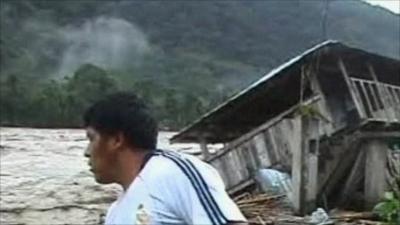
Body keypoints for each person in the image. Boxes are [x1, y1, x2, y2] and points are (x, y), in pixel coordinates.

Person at [83, 92, 247, 225]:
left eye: (91, 139)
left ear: (117, 140)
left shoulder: (174, 173)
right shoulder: (115, 214)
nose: (87, 152)